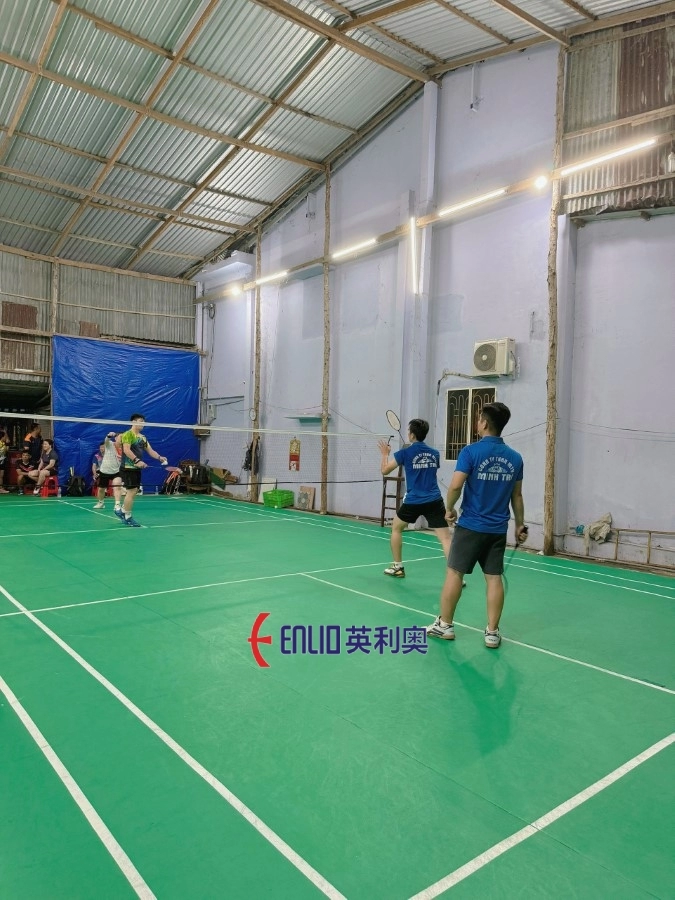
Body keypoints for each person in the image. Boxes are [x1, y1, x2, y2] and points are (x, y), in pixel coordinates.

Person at [427, 402, 526, 649]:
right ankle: (492, 633)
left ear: (484, 423)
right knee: (494, 578)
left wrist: (449, 509)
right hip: (497, 529)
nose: (477, 422)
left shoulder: (470, 452)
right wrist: (520, 525)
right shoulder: (515, 458)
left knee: (454, 573)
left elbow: (455, 486)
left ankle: (445, 625)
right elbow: (517, 496)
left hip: (471, 526)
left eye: (479, 419)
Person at [378, 418, 454, 579]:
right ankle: (455, 576)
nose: (408, 434)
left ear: (412, 435)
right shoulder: (435, 453)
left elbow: (384, 470)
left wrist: (385, 454)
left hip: (413, 501)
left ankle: (398, 567)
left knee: (396, 528)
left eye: (409, 431)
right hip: (434, 501)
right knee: (446, 538)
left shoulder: (404, 453)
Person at [117, 414, 167, 527]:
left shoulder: (143, 437)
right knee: (131, 491)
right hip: (128, 467)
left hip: (136, 468)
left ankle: (123, 511)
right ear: (133, 422)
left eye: (144, 421)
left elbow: (150, 450)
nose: (143, 423)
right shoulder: (128, 434)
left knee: (134, 491)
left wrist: (159, 457)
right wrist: (137, 460)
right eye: (140, 421)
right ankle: (128, 517)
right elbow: (126, 450)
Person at [94, 433, 123, 513]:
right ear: (116, 438)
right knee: (101, 489)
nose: (121, 439)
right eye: (119, 437)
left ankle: (117, 504)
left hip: (116, 471)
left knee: (117, 486)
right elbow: (106, 440)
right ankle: (101, 503)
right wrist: (108, 436)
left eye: (122, 437)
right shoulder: (110, 444)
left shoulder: (124, 447)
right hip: (105, 470)